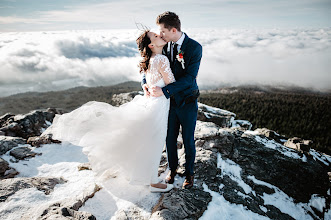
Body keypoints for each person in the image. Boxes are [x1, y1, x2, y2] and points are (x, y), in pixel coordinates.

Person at [42, 30, 175, 193]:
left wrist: (147, 86)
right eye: (156, 36)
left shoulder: (151, 60)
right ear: (151, 45)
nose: (160, 36)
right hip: (158, 104)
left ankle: (142, 175)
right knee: (155, 141)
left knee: (146, 140)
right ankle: (153, 182)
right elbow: (171, 83)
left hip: (150, 101)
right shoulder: (161, 59)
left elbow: (149, 80)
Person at [141, 11, 202, 189]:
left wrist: (165, 90)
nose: (160, 35)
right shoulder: (163, 46)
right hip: (167, 103)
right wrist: (145, 83)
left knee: (188, 140)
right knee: (169, 139)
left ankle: (189, 173)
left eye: (163, 32)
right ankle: (172, 169)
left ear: (173, 30)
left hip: (187, 101)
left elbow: (190, 77)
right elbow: (148, 63)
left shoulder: (194, 47)